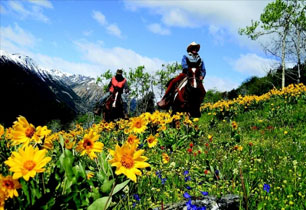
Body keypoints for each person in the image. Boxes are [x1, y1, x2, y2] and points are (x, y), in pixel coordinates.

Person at [157, 42, 206, 109]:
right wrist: (190, 70)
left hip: (196, 76)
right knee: (173, 82)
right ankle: (165, 99)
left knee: (203, 91)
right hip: (186, 74)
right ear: (190, 49)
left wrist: (202, 76)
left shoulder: (200, 59)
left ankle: (200, 104)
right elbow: (184, 65)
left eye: (196, 48)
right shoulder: (186, 56)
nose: (194, 49)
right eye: (193, 48)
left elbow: (203, 69)